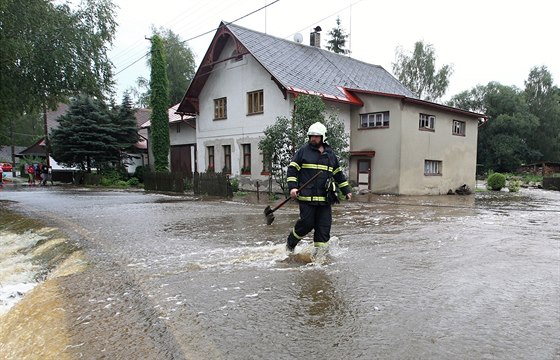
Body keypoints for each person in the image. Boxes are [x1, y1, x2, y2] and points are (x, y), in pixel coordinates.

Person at [285, 122, 352, 253]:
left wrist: (346, 190)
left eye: (316, 136)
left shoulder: (330, 154)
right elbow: (292, 170)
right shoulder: (303, 151)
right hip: (306, 198)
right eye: (311, 136)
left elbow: (338, 174)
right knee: (306, 224)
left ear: (323, 137)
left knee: (324, 229)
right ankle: (290, 244)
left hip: (325, 200)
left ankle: (319, 260)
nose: (313, 139)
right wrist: (292, 188)